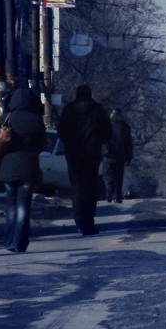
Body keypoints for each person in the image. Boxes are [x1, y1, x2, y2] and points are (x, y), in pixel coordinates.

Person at [0, 88, 46, 253]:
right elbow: (42, 144)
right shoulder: (36, 119)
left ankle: (8, 240)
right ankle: (19, 242)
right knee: (23, 206)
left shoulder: (7, 117)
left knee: (11, 206)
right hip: (28, 168)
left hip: (8, 167)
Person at [57, 84, 112, 235]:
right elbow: (107, 132)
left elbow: (61, 132)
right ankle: (88, 222)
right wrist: (98, 141)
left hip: (73, 156)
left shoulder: (68, 110)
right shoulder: (98, 110)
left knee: (77, 188)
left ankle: (79, 221)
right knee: (90, 189)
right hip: (92, 155)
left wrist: (70, 143)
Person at [102, 109, 133, 204]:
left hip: (107, 155)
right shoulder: (125, 125)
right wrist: (129, 156)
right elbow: (128, 143)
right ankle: (117, 196)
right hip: (120, 156)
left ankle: (109, 191)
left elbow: (101, 140)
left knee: (107, 175)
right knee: (118, 177)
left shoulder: (105, 125)